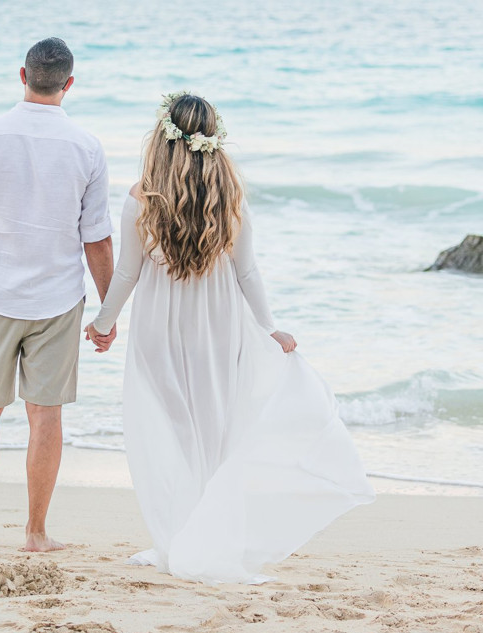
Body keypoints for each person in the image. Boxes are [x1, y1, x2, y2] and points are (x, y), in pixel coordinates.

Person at [85, 91, 374, 584]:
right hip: (218, 328)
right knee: (215, 433)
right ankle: (206, 537)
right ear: (214, 138)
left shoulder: (142, 196)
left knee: (170, 432)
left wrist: (104, 322)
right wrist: (267, 328)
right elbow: (248, 273)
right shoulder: (230, 194)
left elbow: (129, 274)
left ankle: (177, 538)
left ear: (162, 137)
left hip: (159, 330)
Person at [0, 38, 115, 552]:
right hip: (59, 298)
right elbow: (97, 238)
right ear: (69, 83)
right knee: (46, 415)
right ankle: (36, 534)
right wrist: (108, 309)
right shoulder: (86, 146)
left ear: (23, 75)